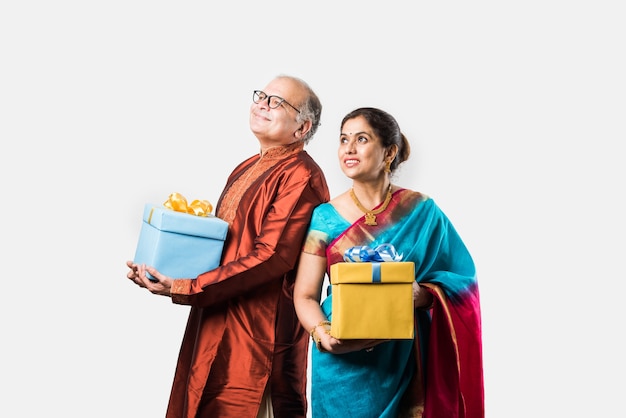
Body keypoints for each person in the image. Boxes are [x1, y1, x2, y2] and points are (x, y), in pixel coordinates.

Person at [126, 75, 330, 418]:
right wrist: (165, 269)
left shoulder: (301, 175)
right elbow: (226, 245)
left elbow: (271, 257)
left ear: (302, 128)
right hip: (215, 313)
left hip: (258, 332)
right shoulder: (248, 166)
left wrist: (183, 286)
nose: (263, 104)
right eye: (262, 96)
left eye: (277, 102)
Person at [293, 107, 484, 417]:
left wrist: (422, 295)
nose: (349, 148)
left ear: (389, 152)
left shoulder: (421, 210)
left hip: (405, 357)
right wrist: (323, 334)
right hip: (342, 364)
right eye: (343, 139)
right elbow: (304, 294)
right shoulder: (324, 217)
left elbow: (463, 279)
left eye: (362, 139)